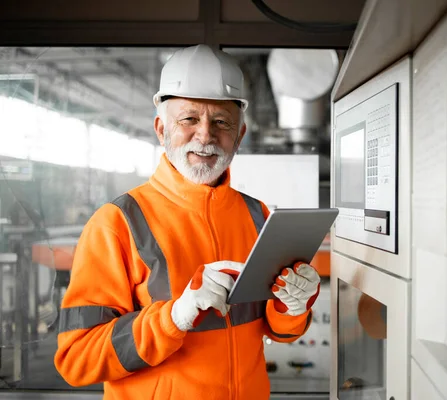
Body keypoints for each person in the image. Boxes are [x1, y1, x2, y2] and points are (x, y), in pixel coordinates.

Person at [54, 44, 321, 400]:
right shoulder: (117, 224)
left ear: (239, 135)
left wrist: (294, 306)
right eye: (189, 119)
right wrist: (173, 318)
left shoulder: (259, 216)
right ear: (161, 128)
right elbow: (77, 358)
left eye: (221, 122)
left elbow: (280, 331)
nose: (206, 135)